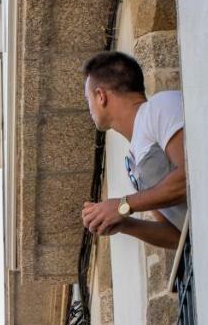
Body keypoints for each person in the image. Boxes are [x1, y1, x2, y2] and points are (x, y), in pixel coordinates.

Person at [80, 51, 188, 250]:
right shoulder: (131, 162)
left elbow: (188, 178)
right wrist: (125, 223)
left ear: (101, 96)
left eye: (88, 100)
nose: (89, 109)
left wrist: (122, 205)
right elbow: (177, 236)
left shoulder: (159, 107)